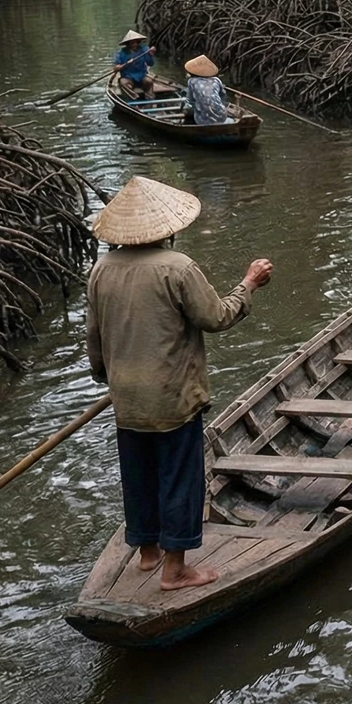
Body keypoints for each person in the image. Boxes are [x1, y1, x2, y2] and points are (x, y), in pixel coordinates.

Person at [85, 175, 274, 590]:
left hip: (127, 400)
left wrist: (109, 378)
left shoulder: (101, 270)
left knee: (139, 474)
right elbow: (216, 317)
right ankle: (176, 570)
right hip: (172, 398)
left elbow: (95, 341)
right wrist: (248, 284)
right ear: (167, 228)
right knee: (178, 477)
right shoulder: (177, 268)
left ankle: (148, 554)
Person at [183, 55, 231, 125]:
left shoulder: (192, 81)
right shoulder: (217, 80)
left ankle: (189, 126)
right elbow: (223, 96)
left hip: (202, 120)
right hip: (222, 116)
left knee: (188, 110)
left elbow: (189, 101)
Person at [114, 30, 154, 99]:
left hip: (141, 77)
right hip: (128, 77)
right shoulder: (121, 53)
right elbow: (116, 68)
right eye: (133, 42)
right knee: (123, 83)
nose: (135, 44)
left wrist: (150, 55)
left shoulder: (144, 50)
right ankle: (133, 100)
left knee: (149, 82)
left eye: (137, 42)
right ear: (128, 43)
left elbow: (150, 63)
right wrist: (119, 67)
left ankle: (150, 99)